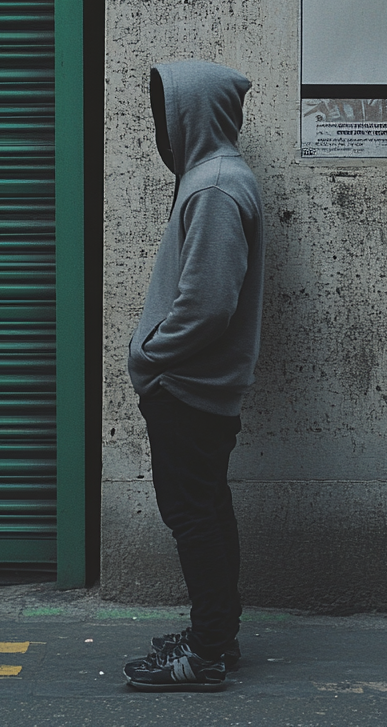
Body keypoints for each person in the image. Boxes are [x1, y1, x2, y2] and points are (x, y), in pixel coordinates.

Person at [122, 60, 265, 692]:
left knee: (193, 517)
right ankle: (217, 635)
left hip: (188, 387)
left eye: (167, 112)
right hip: (198, 387)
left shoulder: (212, 187)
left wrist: (152, 356)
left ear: (192, 115)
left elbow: (208, 304)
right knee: (209, 509)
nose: (161, 126)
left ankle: (206, 653)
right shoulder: (216, 179)